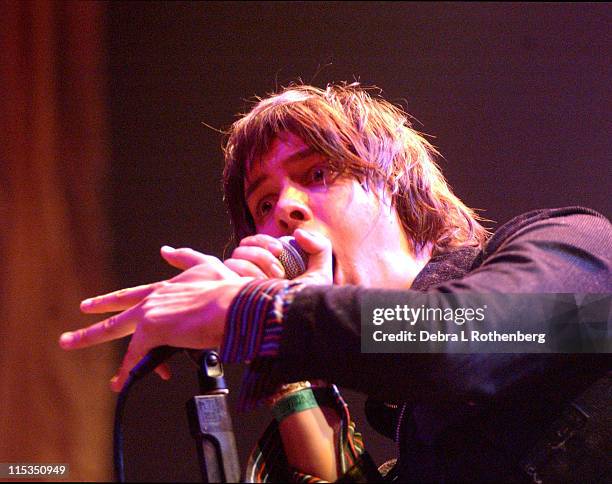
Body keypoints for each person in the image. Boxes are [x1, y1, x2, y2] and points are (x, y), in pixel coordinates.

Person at [59, 83, 611, 482]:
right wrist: (291, 372)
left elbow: (459, 343)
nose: (286, 210)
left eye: (316, 174)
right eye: (264, 202)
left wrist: (254, 314)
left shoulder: (578, 245)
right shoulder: (413, 445)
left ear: (394, 183)